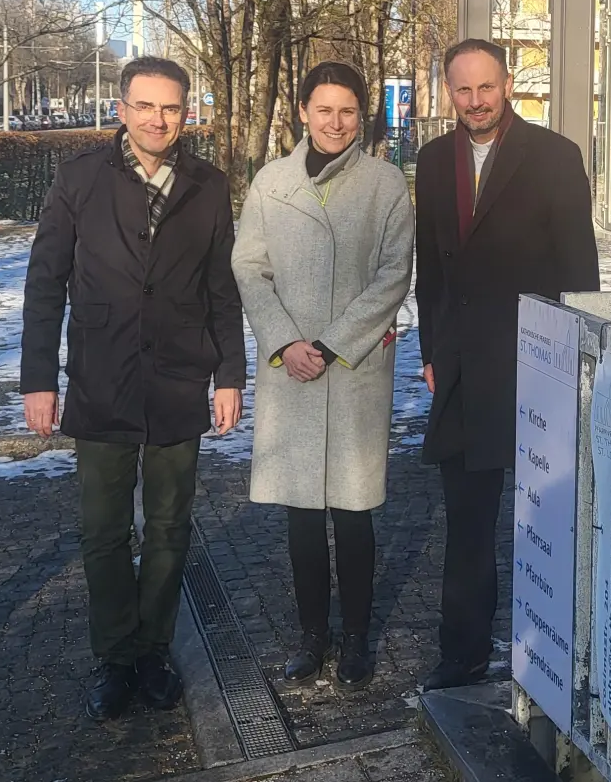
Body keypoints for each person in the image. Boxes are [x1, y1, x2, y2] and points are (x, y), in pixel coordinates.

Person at [21, 55, 245, 721]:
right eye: (145, 105)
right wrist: (38, 379)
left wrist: (229, 373)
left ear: (186, 113)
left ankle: (153, 650)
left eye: (171, 107)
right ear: (121, 108)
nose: (158, 118)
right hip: (101, 378)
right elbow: (45, 280)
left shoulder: (208, 186)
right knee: (103, 530)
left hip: (179, 379)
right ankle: (115, 657)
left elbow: (221, 289)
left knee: (171, 526)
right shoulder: (81, 178)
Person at [415, 38, 600, 690]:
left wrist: (581, 357)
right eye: (462, 90)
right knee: (466, 522)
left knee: (546, 516)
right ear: (448, 91)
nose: (475, 102)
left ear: (508, 82)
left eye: (485, 88)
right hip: (463, 371)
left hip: (536, 365)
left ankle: (556, 653)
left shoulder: (554, 157)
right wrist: (430, 350)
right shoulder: (434, 161)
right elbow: (430, 268)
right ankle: (461, 652)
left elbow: (581, 273)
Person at [232, 62, 414, 690]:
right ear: (303, 112)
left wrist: (334, 344)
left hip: (354, 368)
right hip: (292, 371)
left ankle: (357, 637)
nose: (336, 123)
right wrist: (286, 341)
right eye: (324, 109)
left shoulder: (385, 183)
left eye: (348, 111)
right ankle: (313, 635)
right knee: (302, 515)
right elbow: (248, 266)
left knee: (355, 513)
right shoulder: (271, 182)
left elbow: (394, 274)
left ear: (361, 116)